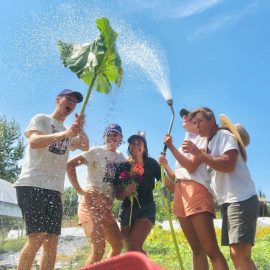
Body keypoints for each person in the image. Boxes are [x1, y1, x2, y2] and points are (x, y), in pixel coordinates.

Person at [13, 89, 89, 270]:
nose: (71, 103)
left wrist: (80, 127)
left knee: (52, 241)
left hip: (54, 189)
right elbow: (34, 141)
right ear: (57, 100)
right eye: (68, 99)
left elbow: (85, 146)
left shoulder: (69, 130)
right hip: (32, 184)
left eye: (74, 102)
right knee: (37, 236)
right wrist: (64, 135)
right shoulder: (42, 119)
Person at [183, 108, 259, 270]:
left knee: (239, 254)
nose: (197, 126)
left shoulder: (224, 136)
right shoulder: (211, 143)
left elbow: (228, 164)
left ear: (212, 121)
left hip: (240, 199)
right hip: (231, 202)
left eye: (200, 121)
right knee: (237, 253)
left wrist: (199, 154)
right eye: (194, 123)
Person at [159, 108, 228, 270]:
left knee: (211, 250)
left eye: (189, 116)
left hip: (196, 191)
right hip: (180, 191)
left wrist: (171, 147)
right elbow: (178, 176)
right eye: (183, 115)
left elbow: (191, 167)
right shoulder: (187, 139)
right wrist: (166, 165)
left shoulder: (203, 139)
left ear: (197, 123)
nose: (184, 117)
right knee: (196, 249)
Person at [66, 124, 126, 267]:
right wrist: (79, 190)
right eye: (109, 134)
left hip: (106, 208)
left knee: (118, 245)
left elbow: (131, 169)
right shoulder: (96, 151)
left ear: (121, 139)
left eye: (115, 134)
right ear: (104, 137)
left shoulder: (121, 158)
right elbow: (70, 165)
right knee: (99, 248)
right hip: (90, 204)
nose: (112, 136)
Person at [114, 134, 161, 254]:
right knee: (129, 250)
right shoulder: (123, 166)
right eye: (132, 143)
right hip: (127, 210)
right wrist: (125, 192)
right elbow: (118, 196)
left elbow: (165, 181)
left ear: (144, 148)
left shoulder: (152, 163)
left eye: (139, 143)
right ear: (129, 147)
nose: (136, 145)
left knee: (134, 247)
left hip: (146, 208)